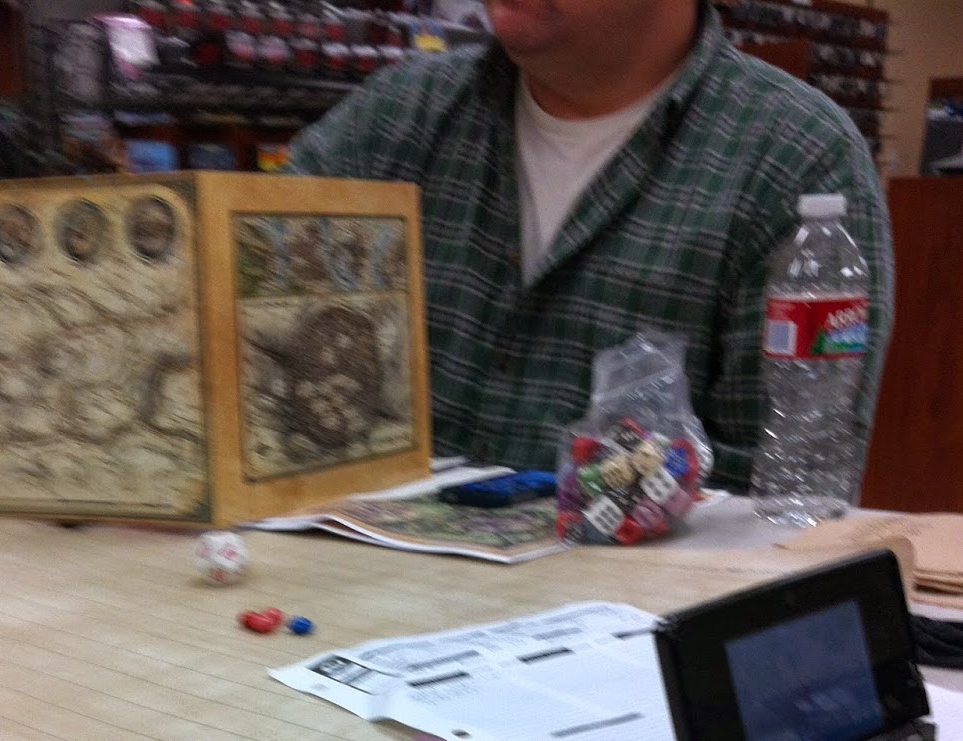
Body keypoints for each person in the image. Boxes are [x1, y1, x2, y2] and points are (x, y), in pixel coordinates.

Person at [287, 0, 892, 492]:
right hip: (349, 582)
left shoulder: (796, 162)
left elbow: (777, 499)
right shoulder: (394, 119)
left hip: (631, 597)